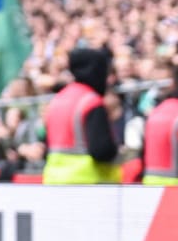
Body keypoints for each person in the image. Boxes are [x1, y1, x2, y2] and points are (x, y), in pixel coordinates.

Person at [40, 46, 120, 183]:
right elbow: (101, 151)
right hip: (87, 183)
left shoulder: (57, 100)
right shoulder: (91, 101)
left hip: (53, 181)